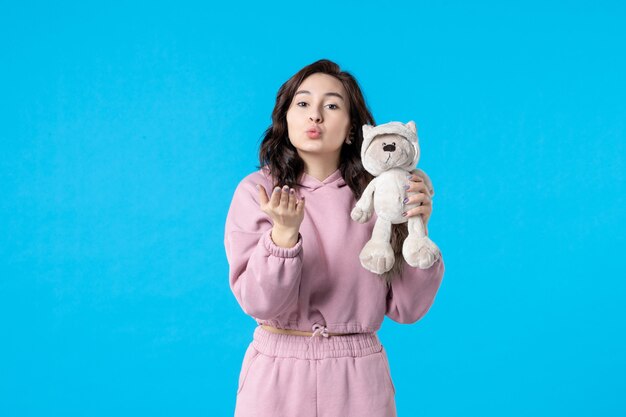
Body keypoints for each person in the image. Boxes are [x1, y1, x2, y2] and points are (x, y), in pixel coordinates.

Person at [224, 59, 445, 417]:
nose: (315, 116)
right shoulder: (258, 193)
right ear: (286, 119)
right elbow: (259, 304)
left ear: (353, 130)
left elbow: (408, 309)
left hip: (358, 376)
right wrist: (282, 237)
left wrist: (419, 230)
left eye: (331, 105)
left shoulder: (379, 198)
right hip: (278, 374)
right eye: (303, 103)